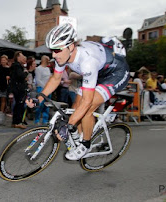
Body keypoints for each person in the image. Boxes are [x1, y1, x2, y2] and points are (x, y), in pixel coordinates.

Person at [26, 23, 130, 160]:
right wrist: (39, 98)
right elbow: (56, 79)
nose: (53, 54)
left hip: (116, 73)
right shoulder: (62, 55)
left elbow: (87, 102)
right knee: (76, 107)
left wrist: (69, 124)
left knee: (86, 108)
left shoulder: (87, 61)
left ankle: (85, 144)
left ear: (70, 46)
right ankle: (83, 133)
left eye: (56, 50)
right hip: (99, 71)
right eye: (51, 50)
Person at [10, 51, 28, 129]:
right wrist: (26, 73)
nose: (23, 57)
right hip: (18, 88)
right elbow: (20, 76)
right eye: (21, 56)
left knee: (19, 105)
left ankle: (17, 121)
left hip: (18, 88)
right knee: (19, 105)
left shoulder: (18, 66)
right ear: (17, 57)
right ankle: (17, 122)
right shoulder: (16, 66)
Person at [34, 55, 52, 125]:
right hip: (41, 88)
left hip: (48, 88)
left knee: (47, 105)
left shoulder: (47, 69)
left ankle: (45, 120)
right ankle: (37, 119)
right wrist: (45, 87)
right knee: (40, 105)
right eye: (48, 60)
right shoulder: (38, 69)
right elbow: (38, 80)